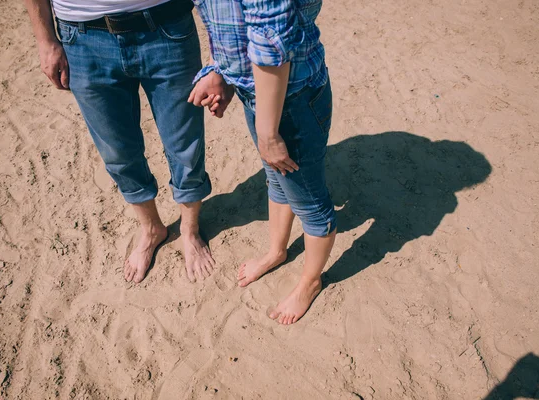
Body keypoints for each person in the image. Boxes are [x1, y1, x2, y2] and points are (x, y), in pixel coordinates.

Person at [23, 0, 232, 283]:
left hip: (166, 26)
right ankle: (151, 228)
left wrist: (222, 57)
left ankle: (190, 228)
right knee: (116, 151)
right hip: (83, 38)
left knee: (185, 143)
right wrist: (45, 39)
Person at [189, 0, 337, 324]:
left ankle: (311, 282)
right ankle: (276, 251)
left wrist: (268, 132)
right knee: (276, 177)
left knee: (311, 204)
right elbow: (229, 24)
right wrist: (221, 72)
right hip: (258, 93)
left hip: (293, 97)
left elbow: (271, 40)